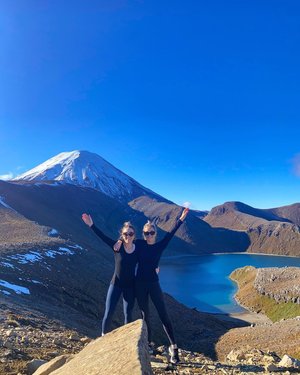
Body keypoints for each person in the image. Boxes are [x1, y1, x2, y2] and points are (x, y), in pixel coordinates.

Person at [114, 207, 189, 364]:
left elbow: (171, 233)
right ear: (143, 234)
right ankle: (149, 344)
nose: (149, 235)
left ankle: (174, 348)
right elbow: (127, 238)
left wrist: (180, 219)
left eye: (151, 232)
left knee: (163, 314)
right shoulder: (139, 244)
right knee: (145, 315)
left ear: (155, 233)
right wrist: (119, 241)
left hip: (154, 283)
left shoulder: (160, 245)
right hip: (139, 284)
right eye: (146, 233)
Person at [82, 213, 138, 336]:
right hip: (116, 284)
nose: (128, 236)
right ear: (122, 235)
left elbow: (151, 252)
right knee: (109, 312)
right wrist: (92, 225)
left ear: (134, 236)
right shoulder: (117, 247)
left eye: (130, 234)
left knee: (128, 314)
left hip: (130, 286)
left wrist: (155, 267)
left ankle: (127, 340)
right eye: (125, 234)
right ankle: (103, 337)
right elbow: (102, 237)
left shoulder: (138, 247)